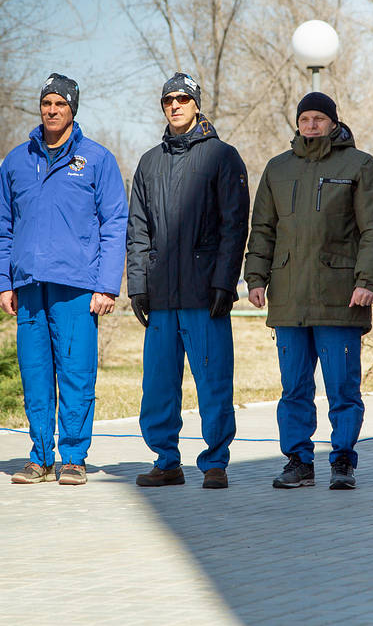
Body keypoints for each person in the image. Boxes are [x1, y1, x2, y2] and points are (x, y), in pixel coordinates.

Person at [245, 92, 373, 490]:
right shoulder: (278, 169)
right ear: (297, 123)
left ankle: (343, 459)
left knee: (343, 387)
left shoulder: (358, 165)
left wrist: (366, 282)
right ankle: (298, 461)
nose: (311, 125)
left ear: (332, 122)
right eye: (305, 119)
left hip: (340, 296)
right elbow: (262, 229)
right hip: (289, 297)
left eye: (318, 119)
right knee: (294, 388)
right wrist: (255, 277)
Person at [0, 73, 128, 486]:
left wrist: (106, 285)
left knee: (76, 373)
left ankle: (73, 457)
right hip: (29, 287)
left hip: (77, 287)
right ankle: (39, 456)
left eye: (60, 105)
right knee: (35, 374)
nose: (52, 111)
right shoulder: (16, 161)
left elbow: (115, 224)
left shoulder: (96, 159)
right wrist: (3, 282)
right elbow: (0, 227)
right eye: (46, 103)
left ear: (73, 110)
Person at [126, 73, 250, 490]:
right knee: (158, 384)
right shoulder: (149, 162)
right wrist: (138, 285)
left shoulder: (222, 157)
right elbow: (138, 230)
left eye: (183, 98)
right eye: (168, 100)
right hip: (161, 294)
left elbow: (235, 226)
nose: (175, 105)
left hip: (203, 292)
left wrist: (224, 282)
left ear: (197, 103)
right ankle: (166, 461)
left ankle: (215, 461)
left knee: (213, 380)